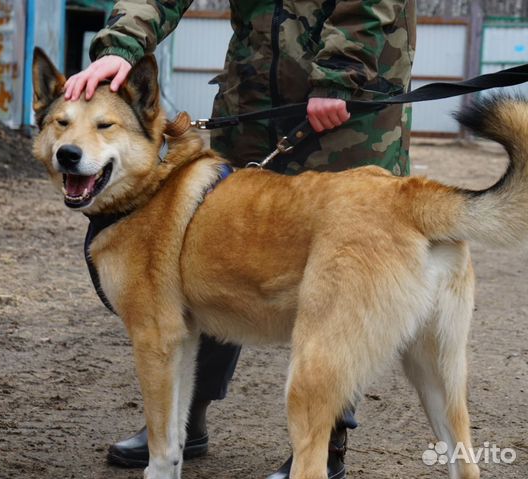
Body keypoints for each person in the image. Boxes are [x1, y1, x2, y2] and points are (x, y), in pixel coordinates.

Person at [64, 1, 416, 477]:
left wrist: (341, 72)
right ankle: (179, 424)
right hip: (251, 98)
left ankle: (322, 446)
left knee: (343, 282)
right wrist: (121, 44)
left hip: (348, 112)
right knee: (212, 256)